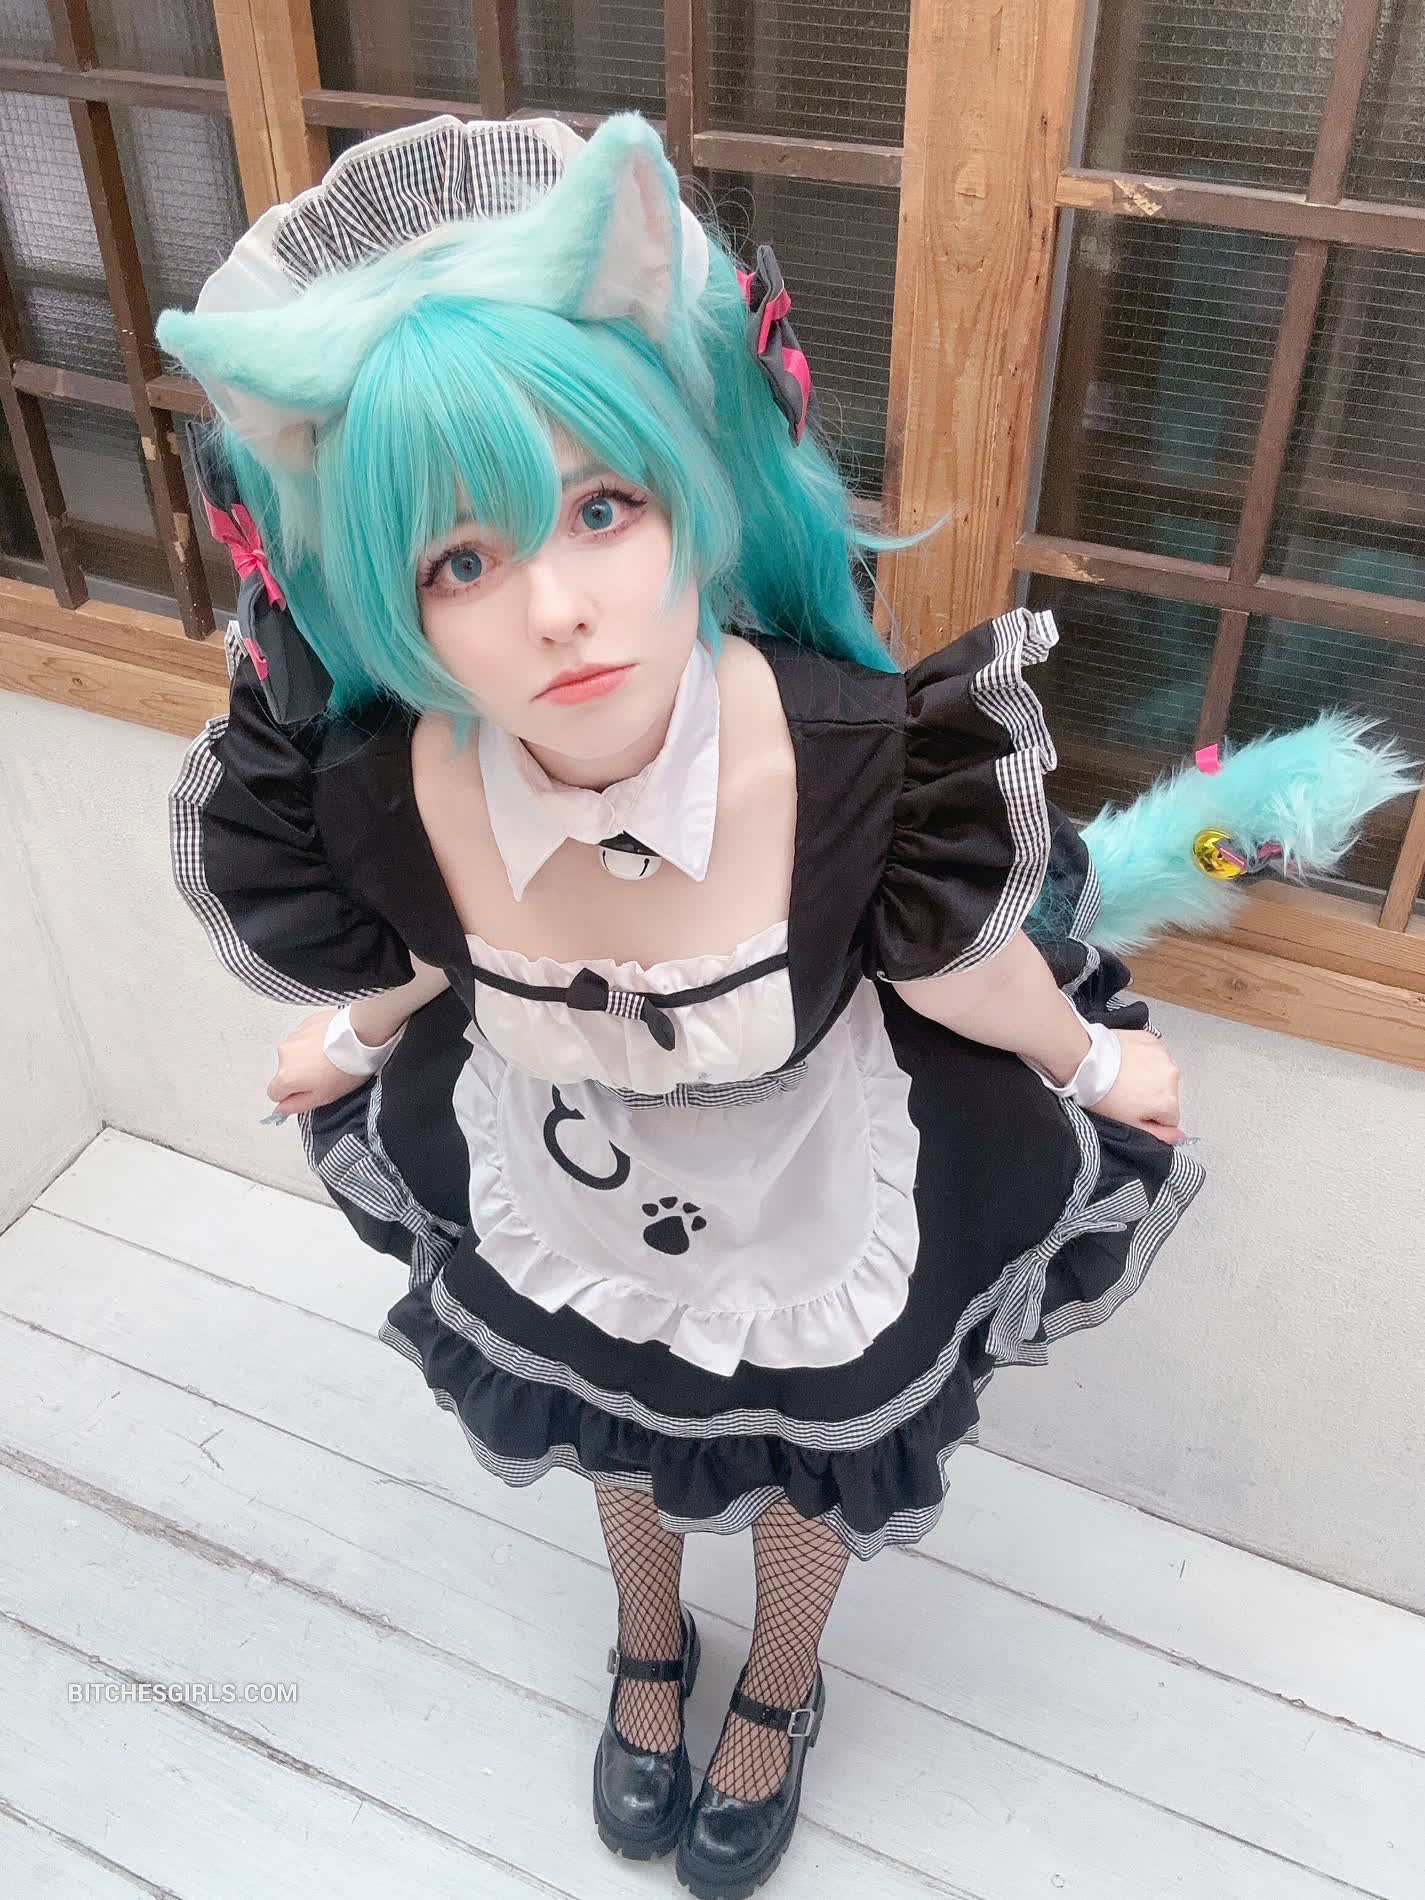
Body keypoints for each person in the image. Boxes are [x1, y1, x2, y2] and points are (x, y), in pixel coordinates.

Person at [157, 111, 1204, 1900]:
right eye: (459, 563)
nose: (558, 610)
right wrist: (346, 1034)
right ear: (379, 603)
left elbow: (945, 955)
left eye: (600, 508)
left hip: (814, 1172)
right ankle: (648, 1644)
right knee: (607, 1412)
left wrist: (1091, 1056)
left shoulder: (850, 755)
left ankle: (777, 1681)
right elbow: (431, 946)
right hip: (572, 1168)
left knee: (813, 1456)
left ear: (690, 491)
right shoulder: (394, 784)